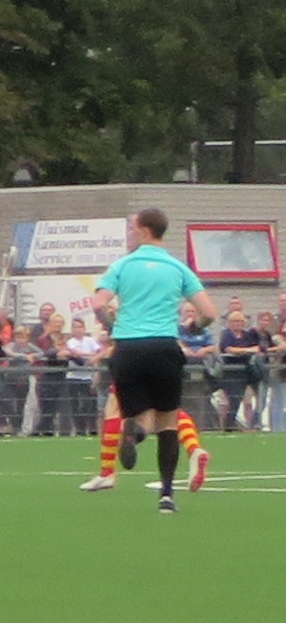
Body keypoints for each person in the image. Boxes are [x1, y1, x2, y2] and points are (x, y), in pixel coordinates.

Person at [93, 209, 211, 514]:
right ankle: (167, 496)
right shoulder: (177, 267)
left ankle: (134, 433)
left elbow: (98, 303)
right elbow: (209, 313)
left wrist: (112, 325)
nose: (130, 234)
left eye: (132, 229)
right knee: (168, 422)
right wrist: (192, 328)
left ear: (144, 230)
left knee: (137, 414)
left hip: (128, 347)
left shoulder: (122, 265)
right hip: (164, 345)